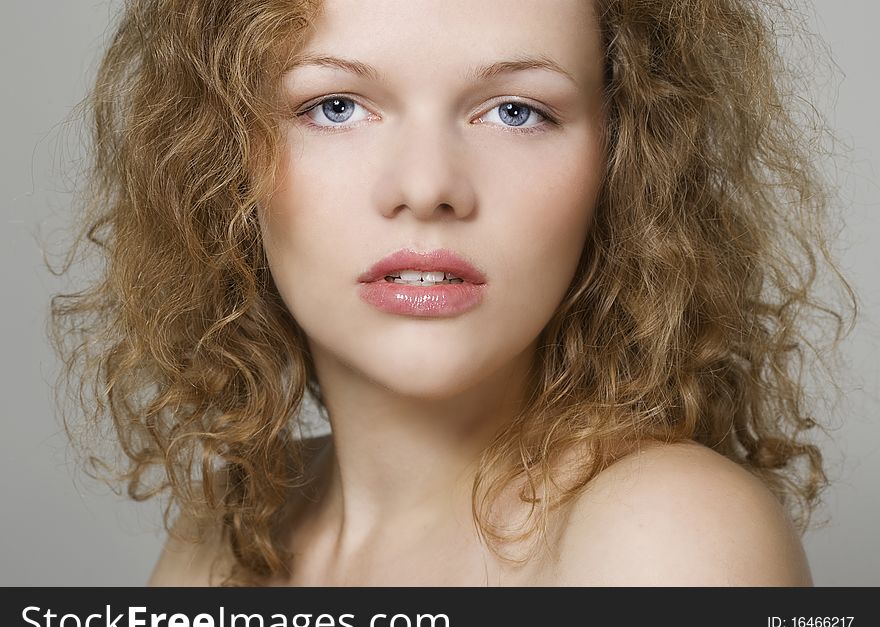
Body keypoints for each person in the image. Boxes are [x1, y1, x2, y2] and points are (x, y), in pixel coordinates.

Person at [48, 0, 856, 586]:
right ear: (218, 160)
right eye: (335, 106)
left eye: (515, 110)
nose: (428, 186)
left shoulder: (670, 537)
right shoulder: (223, 535)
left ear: (623, 165)